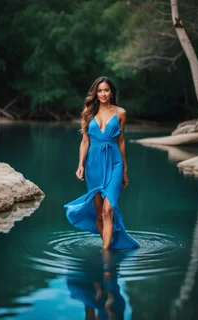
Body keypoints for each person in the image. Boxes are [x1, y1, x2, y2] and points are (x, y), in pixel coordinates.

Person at [64, 76, 140, 250]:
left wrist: (125, 170)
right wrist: (80, 164)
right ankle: (109, 242)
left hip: (115, 163)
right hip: (93, 165)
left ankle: (105, 254)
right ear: (95, 93)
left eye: (106, 90)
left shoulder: (120, 113)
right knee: (99, 215)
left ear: (111, 92)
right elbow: (84, 142)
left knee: (108, 210)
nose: (103, 93)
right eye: (100, 90)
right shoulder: (87, 113)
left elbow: (121, 141)